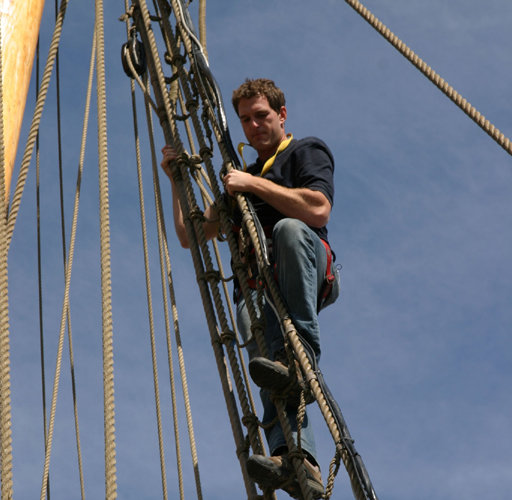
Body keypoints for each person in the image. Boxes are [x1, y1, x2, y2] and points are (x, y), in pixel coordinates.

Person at [161, 78, 340, 499]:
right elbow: (192, 235)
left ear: (281, 114)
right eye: (245, 120)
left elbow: (317, 209)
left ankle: (304, 357)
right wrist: (175, 180)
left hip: (304, 266)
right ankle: (296, 460)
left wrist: (251, 184)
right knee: (263, 350)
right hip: (257, 288)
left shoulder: (304, 151)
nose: (254, 126)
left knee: (290, 230)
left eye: (262, 116)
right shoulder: (235, 181)